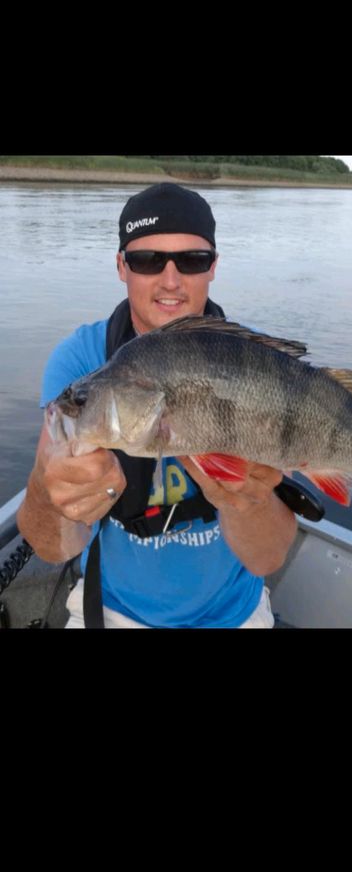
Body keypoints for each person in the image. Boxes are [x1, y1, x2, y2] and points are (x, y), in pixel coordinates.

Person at [17, 183, 298, 628]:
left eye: (192, 260)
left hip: (235, 614)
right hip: (110, 611)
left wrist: (249, 502)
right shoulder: (82, 361)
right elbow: (55, 548)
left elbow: (267, 558)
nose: (171, 280)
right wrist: (48, 493)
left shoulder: (258, 370)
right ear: (120, 267)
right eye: (148, 261)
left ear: (213, 268)